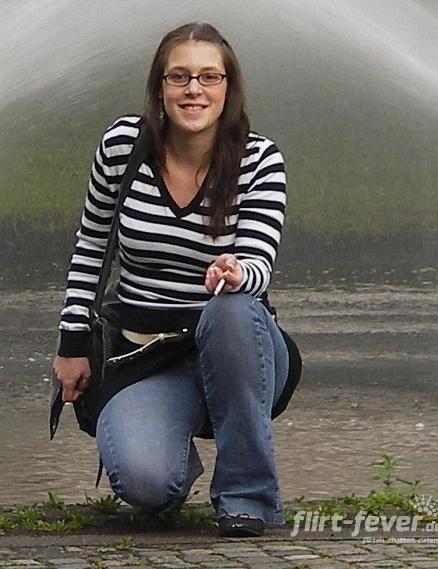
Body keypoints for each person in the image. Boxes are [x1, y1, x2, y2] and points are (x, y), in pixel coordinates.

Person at [53, 22, 300, 537]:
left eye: (209, 77)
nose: (194, 90)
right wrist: (72, 342)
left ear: (228, 88)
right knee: (144, 481)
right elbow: (91, 245)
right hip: (146, 357)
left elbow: (259, 263)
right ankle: (169, 451)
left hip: (239, 352)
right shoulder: (123, 146)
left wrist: (236, 273)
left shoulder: (260, 160)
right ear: (160, 87)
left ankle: (247, 498)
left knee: (232, 309)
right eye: (179, 77)